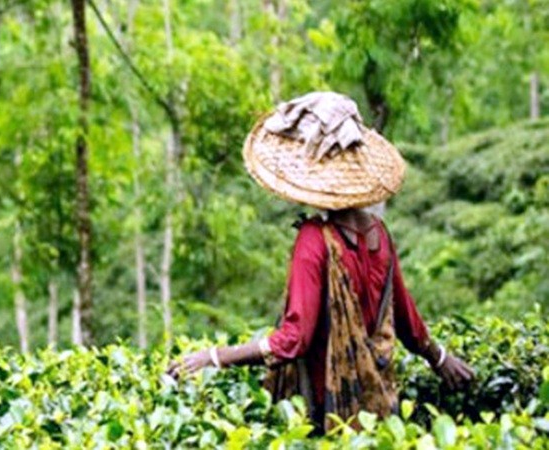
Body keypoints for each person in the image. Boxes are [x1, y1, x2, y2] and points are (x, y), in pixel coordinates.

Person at [167, 92, 474, 431]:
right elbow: (406, 321)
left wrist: (215, 357)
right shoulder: (380, 234)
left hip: (328, 413)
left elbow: (294, 339)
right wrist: (440, 358)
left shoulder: (314, 240)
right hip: (378, 409)